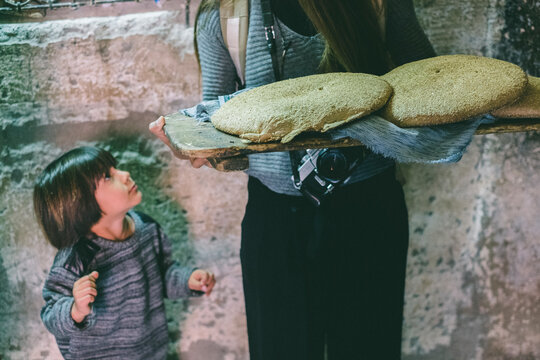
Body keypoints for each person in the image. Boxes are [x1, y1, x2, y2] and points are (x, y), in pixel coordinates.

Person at [149, 0, 440, 359]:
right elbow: (219, 130)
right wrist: (193, 147)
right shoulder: (225, 15)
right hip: (276, 224)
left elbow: (430, 84)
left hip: (370, 213)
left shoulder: (377, 4)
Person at [33, 146, 216, 360]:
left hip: (151, 351)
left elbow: (162, 275)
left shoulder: (146, 228)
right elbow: (51, 314)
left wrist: (188, 280)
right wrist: (75, 308)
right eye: (108, 177)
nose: (125, 174)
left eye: (115, 169)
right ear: (81, 204)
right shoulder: (76, 259)